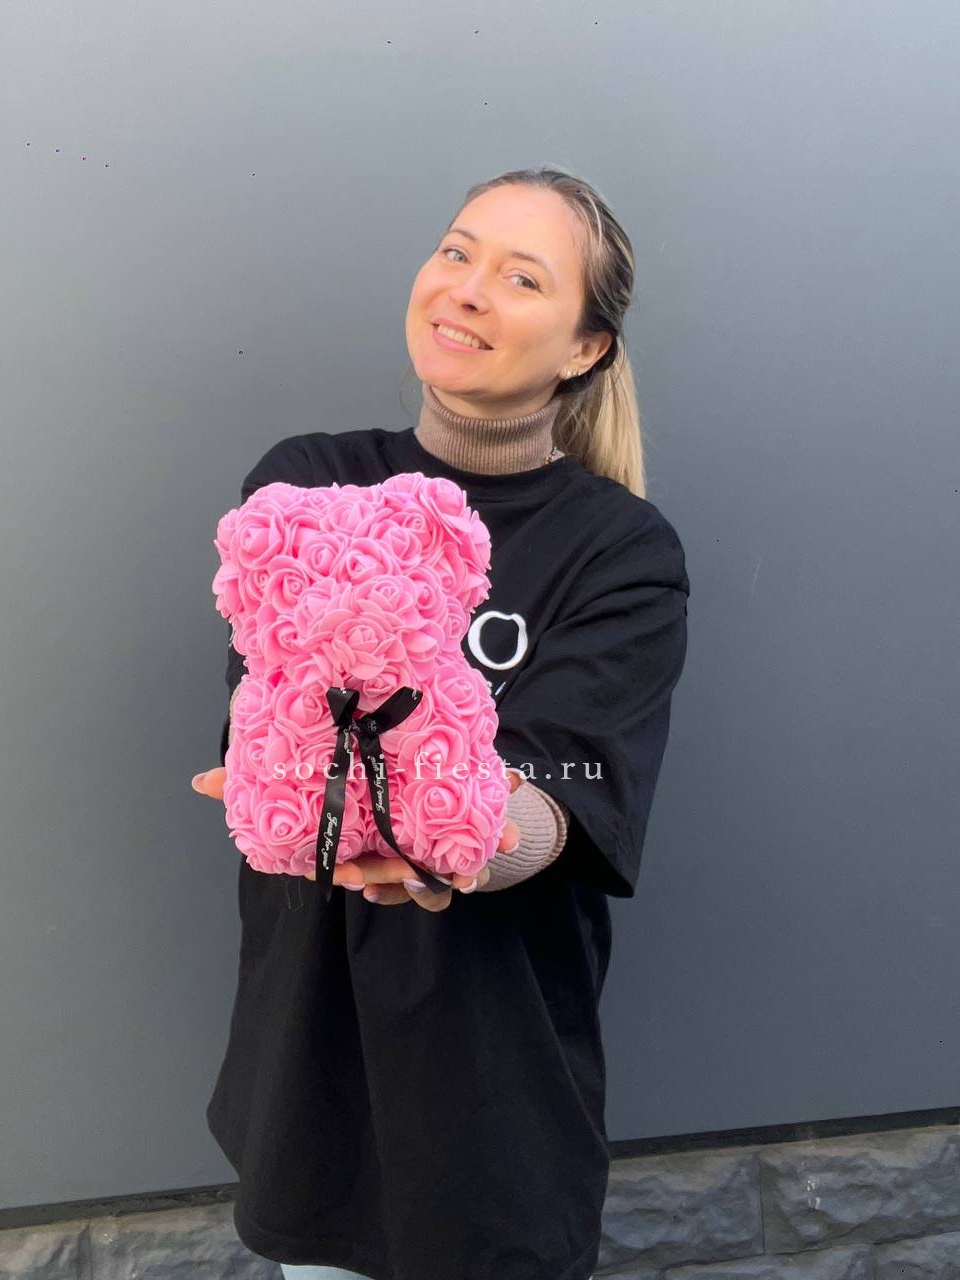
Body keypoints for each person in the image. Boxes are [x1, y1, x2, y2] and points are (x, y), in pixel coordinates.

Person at [191, 166, 689, 1280]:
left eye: (522, 277)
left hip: (496, 1116)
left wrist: (466, 843)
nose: (466, 288)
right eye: (457, 251)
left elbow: (568, 793)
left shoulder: (621, 549)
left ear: (585, 349)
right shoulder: (309, 482)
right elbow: (270, 714)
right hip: (310, 1089)